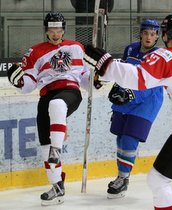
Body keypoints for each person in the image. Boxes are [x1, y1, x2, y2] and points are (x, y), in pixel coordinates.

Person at [83, 2, 172, 209]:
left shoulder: (167, 58)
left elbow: (138, 78)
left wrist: (105, 64)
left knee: (158, 181)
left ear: (166, 36)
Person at [7, 12, 101, 206]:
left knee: (57, 105)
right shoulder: (34, 52)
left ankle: (56, 149)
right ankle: (57, 186)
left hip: (69, 91)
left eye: (58, 29)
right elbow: (28, 86)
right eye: (51, 29)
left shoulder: (76, 47)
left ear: (63, 29)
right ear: (46, 30)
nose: (55, 33)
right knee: (44, 148)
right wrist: (17, 82)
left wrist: (96, 81)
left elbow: (85, 79)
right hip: (46, 94)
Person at [107, 19, 164, 199]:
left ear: (157, 37)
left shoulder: (159, 54)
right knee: (121, 136)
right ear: (140, 34)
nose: (149, 37)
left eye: (153, 34)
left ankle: (124, 179)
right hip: (127, 98)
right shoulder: (130, 49)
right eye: (146, 33)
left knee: (130, 138)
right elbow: (123, 72)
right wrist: (116, 87)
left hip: (148, 100)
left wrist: (132, 94)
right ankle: (120, 175)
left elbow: (153, 83)